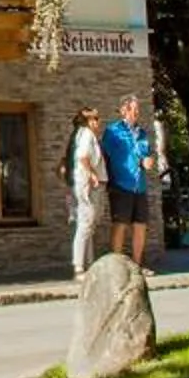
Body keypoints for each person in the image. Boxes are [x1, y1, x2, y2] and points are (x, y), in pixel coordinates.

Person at [102, 93, 154, 266]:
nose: (137, 112)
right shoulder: (113, 132)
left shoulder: (142, 133)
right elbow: (105, 156)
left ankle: (137, 266)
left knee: (140, 226)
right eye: (134, 109)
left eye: (138, 109)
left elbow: (145, 154)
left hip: (139, 186)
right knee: (120, 224)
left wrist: (148, 160)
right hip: (120, 184)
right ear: (124, 110)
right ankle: (116, 267)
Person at [65, 106, 107, 276]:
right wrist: (92, 175)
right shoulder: (87, 135)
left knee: (88, 224)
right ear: (88, 121)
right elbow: (83, 157)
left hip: (87, 184)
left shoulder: (83, 135)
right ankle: (79, 266)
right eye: (95, 119)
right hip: (88, 185)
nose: (98, 122)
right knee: (85, 223)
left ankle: (89, 263)